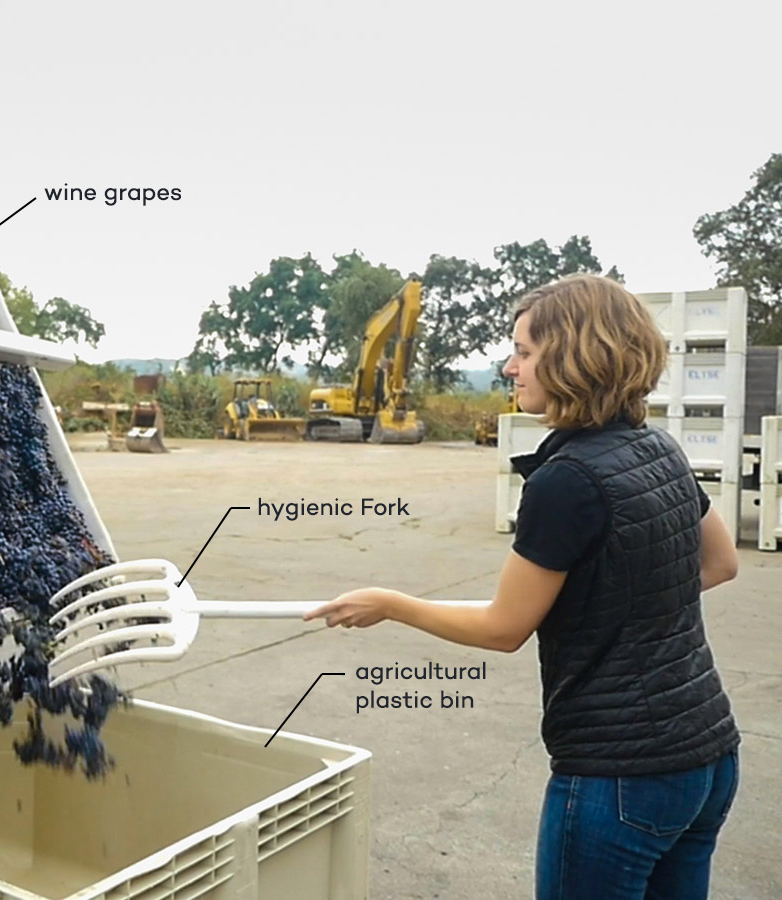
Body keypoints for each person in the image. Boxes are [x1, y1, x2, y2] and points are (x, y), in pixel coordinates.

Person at [305, 274, 741, 900]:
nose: (511, 367)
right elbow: (720, 562)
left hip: (620, 775)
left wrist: (392, 604)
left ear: (575, 356)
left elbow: (505, 628)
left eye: (525, 352)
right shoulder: (659, 449)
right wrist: (621, 608)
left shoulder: (566, 480)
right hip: (707, 755)